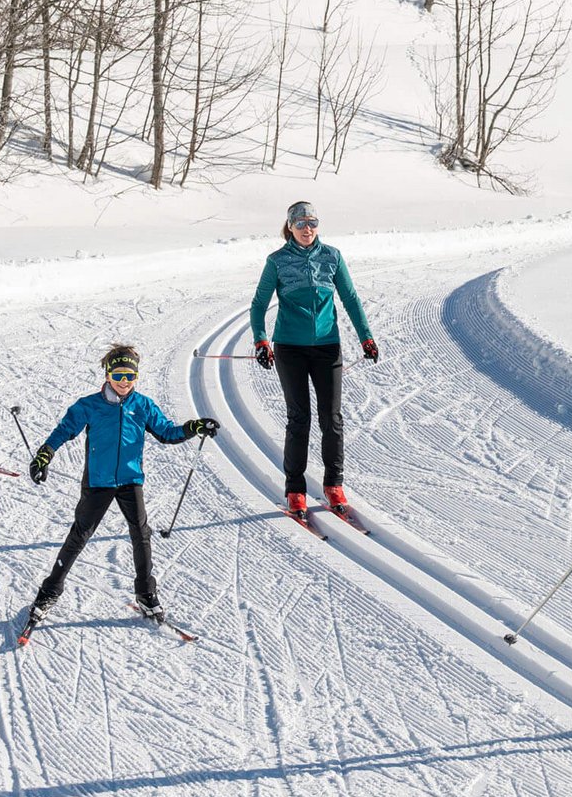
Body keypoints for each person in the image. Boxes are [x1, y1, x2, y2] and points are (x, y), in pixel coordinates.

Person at [25, 344, 219, 625]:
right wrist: (45, 454)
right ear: (107, 374)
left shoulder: (142, 406)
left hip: (130, 479)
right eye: (118, 376)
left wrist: (194, 427)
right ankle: (49, 590)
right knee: (80, 534)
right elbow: (64, 430)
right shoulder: (89, 406)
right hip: (99, 481)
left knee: (141, 533)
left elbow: (167, 433)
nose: (124, 382)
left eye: (130, 376)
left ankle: (146, 593)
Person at [250, 200, 377, 523]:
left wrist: (366, 337)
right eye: (301, 223)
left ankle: (334, 484)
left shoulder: (331, 256)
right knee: (299, 418)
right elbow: (258, 303)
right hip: (290, 348)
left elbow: (350, 298)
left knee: (331, 418)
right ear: (290, 227)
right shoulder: (277, 262)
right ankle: (295, 489)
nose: (308, 229)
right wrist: (261, 340)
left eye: (313, 223)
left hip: (327, 347)